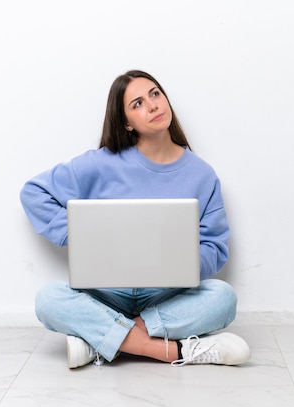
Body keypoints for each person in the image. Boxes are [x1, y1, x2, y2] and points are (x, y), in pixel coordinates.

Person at [20, 70, 250, 369]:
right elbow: (34, 192)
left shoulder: (201, 175)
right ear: (126, 122)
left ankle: (101, 342)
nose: (153, 105)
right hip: (106, 292)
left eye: (155, 94)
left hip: (166, 295)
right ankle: (171, 351)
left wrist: (178, 261)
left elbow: (215, 248)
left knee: (223, 297)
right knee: (48, 299)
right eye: (138, 103)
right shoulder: (101, 163)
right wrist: (80, 235)